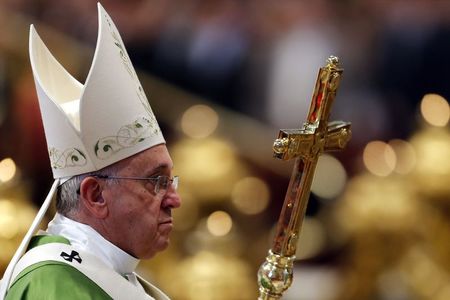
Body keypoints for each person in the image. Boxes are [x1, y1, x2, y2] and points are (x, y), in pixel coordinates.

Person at [0, 3, 180, 299]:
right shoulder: (54, 286)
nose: (175, 198)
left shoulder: (119, 275)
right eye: (156, 181)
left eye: (171, 180)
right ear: (95, 195)